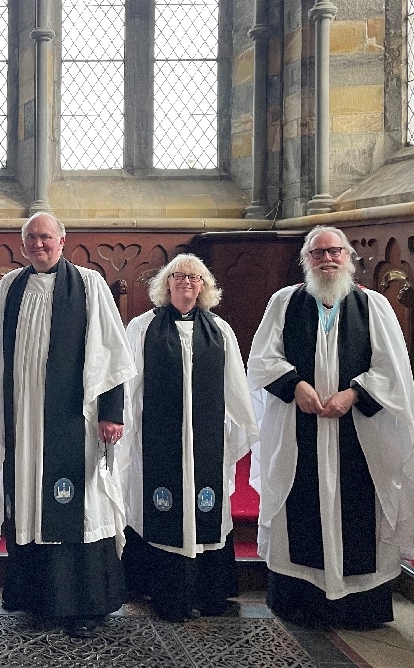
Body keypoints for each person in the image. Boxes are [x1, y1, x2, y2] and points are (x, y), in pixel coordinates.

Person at [247, 225, 414, 628]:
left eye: (335, 252)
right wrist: (294, 385)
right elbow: (261, 359)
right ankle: (301, 603)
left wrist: (354, 394)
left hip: (360, 434)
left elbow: (392, 369)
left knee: (358, 510)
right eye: (317, 254)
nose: (327, 259)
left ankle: (359, 608)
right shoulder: (284, 302)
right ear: (306, 260)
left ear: (349, 257)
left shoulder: (373, 306)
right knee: (301, 506)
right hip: (301, 427)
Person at [0, 212, 136, 638]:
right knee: (31, 501)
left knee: (80, 503)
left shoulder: (88, 284)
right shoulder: (12, 286)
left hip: (75, 419)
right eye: (31, 238)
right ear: (22, 243)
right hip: (25, 422)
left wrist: (111, 411)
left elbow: (112, 351)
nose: (38, 244)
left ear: (63, 240)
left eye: (46, 237)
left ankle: (85, 604)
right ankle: (40, 600)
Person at [118, 254, 258, 622]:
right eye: (179, 276)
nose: (187, 283)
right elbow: (131, 384)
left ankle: (207, 592)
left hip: (205, 441)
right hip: (157, 441)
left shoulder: (219, 330)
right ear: (166, 283)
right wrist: (125, 425)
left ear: (204, 286)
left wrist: (237, 427)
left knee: (205, 509)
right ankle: (163, 592)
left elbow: (234, 385)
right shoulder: (142, 328)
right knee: (158, 509)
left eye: (195, 278)